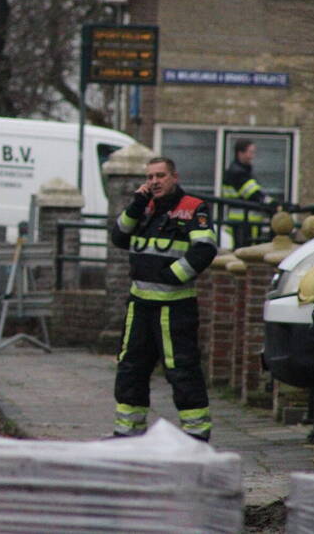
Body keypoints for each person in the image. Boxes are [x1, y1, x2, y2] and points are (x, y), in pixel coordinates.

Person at [109, 157, 218, 441]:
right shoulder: (142, 208)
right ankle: (127, 434)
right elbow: (119, 237)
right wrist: (135, 205)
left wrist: (173, 275)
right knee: (130, 367)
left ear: (174, 177)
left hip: (175, 307)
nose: (154, 181)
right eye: (150, 177)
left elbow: (205, 248)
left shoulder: (193, 208)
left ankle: (196, 437)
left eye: (160, 176)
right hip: (139, 306)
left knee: (181, 371)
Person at [222, 139, 272, 248]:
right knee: (244, 253)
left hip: (246, 223)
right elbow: (254, 194)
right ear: (240, 153)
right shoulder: (237, 173)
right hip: (243, 223)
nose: (252, 156)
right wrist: (274, 204)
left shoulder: (241, 171)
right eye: (250, 152)